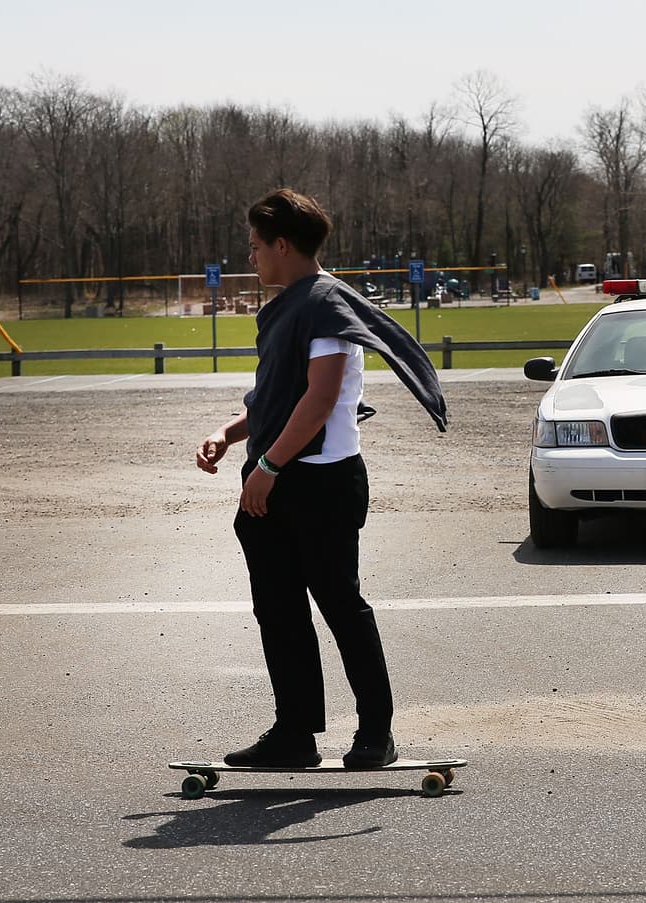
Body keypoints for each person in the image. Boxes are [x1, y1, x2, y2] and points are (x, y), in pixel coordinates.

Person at [195, 188, 447, 769]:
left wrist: (268, 467)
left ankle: (376, 732)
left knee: (339, 603)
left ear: (283, 245)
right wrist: (229, 434)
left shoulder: (326, 305)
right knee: (278, 608)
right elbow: (278, 398)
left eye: (257, 246)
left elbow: (319, 400)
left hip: (319, 483)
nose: (252, 256)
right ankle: (295, 732)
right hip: (276, 478)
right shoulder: (296, 301)